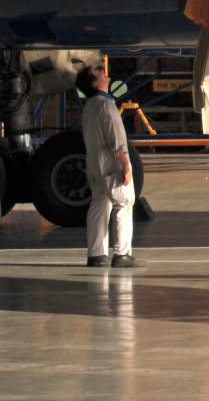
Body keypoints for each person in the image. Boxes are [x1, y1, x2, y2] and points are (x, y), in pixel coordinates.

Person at [77, 63, 142, 268]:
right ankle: (122, 254)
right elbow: (116, 137)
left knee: (99, 204)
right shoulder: (106, 104)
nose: (102, 71)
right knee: (123, 203)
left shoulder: (89, 106)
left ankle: (96, 254)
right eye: (96, 72)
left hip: (93, 161)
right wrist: (125, 165)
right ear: (94, 83)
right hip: (109, 161)